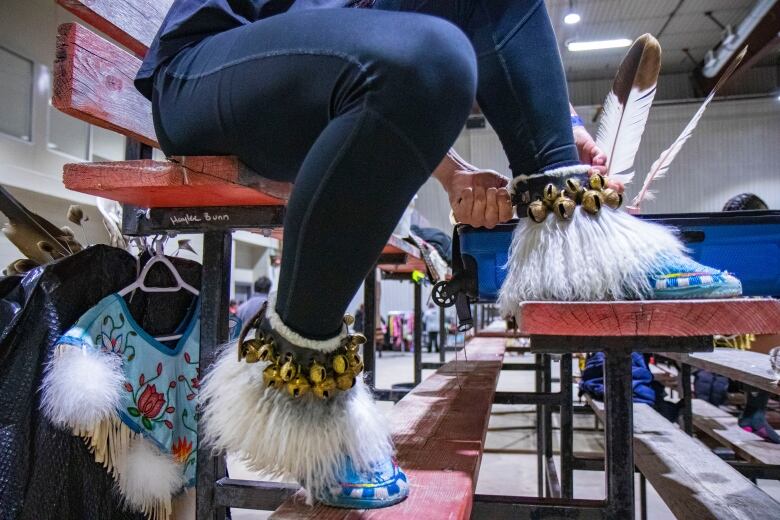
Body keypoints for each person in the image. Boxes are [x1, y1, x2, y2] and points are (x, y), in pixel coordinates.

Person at [136, 0, 610, 509]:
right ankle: (300, 384)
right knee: (437, 54)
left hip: (305, 71)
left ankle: (571, 217)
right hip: (204, 70)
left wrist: (546, 132)